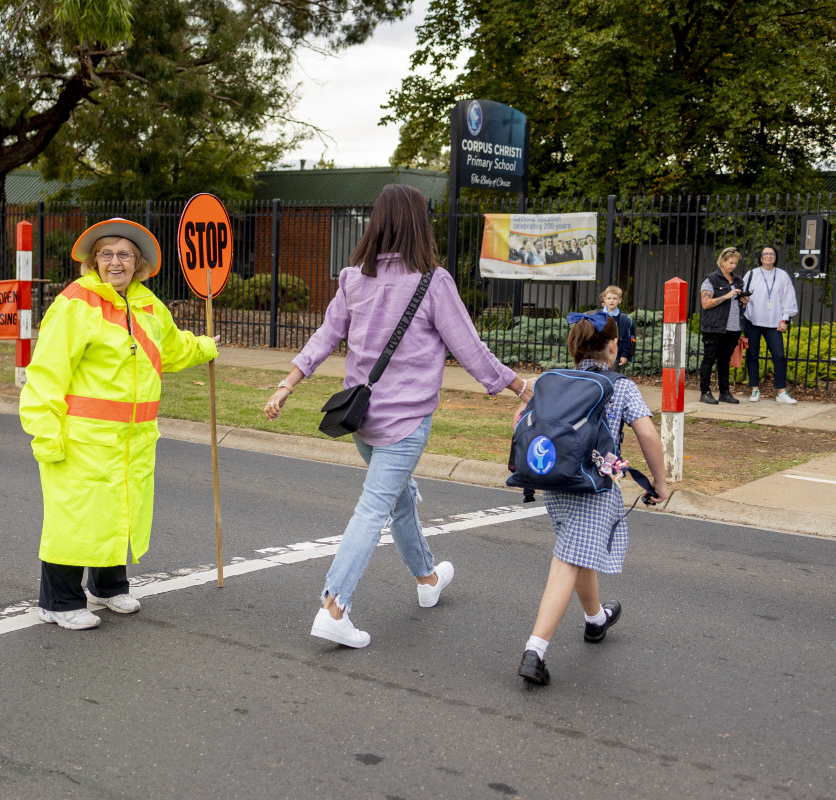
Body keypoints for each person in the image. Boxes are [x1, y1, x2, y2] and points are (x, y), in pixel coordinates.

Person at [263, 184, 533, 649]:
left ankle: (428, 580)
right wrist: (522, 388)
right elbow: (470, 348)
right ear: (418, 224)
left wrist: (288, 383)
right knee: (374, 508)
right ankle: (334, 605)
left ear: (377, 223)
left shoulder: (352, 278)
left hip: (361, 422)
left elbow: (325, 337)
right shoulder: (433, 281)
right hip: (405, 426)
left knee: (399, 498)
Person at [19, 218, 218, 630]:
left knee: (119, 512)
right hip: (83, 440)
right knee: (73, 517)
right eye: (106, 254)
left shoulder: (147, 306)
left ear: (138, 263)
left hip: (133, 440)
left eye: (123, 254)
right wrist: (45, 431)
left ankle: (109, 587)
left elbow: (173, 349)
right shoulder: (76, 304)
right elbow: (47, 372)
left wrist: (206, 347)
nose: (115, 262)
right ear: (94, 261)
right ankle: (58, 601)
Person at [516, 311, 668, 685]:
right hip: (593, 489)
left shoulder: (550, 381)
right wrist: (658, 484)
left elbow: (520, 419)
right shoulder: (621, 386)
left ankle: (596, 619)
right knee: (568, 560)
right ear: (614, 345)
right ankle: (534, 651)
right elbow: (648, 436)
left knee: (580, 550)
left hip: (552, 480)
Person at [743, 244, 799, 403]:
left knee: (779, 356)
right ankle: (754, 389)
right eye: (765, 253)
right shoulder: (752, 274)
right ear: (760, 257)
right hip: (752, 321)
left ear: (775, 257)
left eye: (772, 253)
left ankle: (781, 392)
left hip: (775, 323)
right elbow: (743, 295)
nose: (768, 256)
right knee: (752, 355)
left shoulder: (782, 275)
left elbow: (789, 299)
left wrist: (785, 319)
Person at [698, 247, 748, 404]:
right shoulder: (711, 279)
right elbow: (705, 303)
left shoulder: (738, 280)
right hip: (714, 327)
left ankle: (724, 392)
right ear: (722, 261)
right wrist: (727, 295)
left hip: (733, 328)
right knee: (709, 359)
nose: (733, 266)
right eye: (731, 263)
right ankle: (705, 392)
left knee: (725, 360)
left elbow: (740, 305)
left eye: (735, 263)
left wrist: (744, 301)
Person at [600, 284, 635, 370]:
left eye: (615, 298)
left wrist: (624, 355)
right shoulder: (598, 316)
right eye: (609, 298)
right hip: (599, 355)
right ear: (605, 299)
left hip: (616, 356)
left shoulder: (624, 320)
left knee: (613, 379)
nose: (611, 301)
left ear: (619, 300)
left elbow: (626, 339)